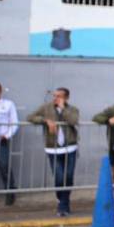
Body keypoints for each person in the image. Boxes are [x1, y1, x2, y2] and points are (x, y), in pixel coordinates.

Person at [27, 88, 81, 217]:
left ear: (66, 98)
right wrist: (45, 120)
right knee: (59, 176)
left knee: (68, 177)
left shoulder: (72, 109)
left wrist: (63, 109)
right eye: (54, 96)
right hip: (53, 148)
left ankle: (64, 203)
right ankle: (61, 200)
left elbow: (73, 121)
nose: (55, 98)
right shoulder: (46, 108)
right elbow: (30, 117)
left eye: (59, 96)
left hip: (70, 148)